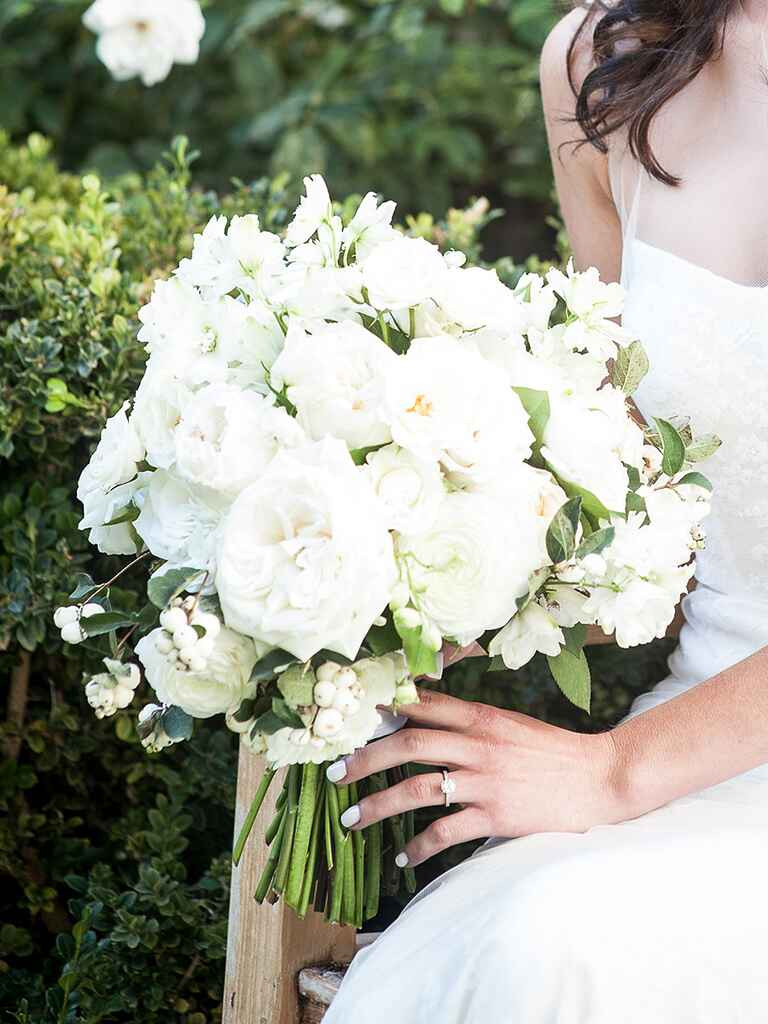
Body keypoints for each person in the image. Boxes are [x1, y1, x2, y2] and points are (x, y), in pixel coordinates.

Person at [324, 3, 768, 1020]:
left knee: (560, 953)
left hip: (663, 764)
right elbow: (630, 493)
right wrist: (429, 564)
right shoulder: (607, 66)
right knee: (522, 949)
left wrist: (615, 771)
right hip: (704, 754)